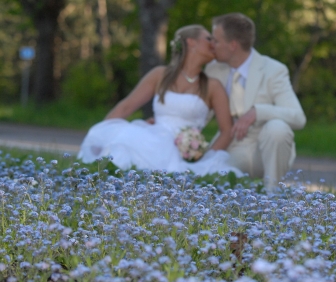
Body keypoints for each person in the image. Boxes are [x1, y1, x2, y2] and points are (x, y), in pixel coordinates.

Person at [78, 25, 243, 177]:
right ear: (191, 42)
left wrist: (202, 157)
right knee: (126, 140)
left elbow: (227, 130)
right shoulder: (160, 75)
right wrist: (103, 136)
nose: (213, 43)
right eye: (208, 39)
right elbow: (126, 107)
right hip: (155, 137)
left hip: (185, 150)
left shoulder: (213, 86)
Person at [205, 13, 306, 192]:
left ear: (233, 45)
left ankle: (272, 196)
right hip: (232, 146)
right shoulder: (213, 70)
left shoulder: (273, 70)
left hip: (265, 148)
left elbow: (298, 117)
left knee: (278, 129)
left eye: (216, 40)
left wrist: (257, 112)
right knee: (207, 186)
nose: (211, 45)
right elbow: (201, 113)